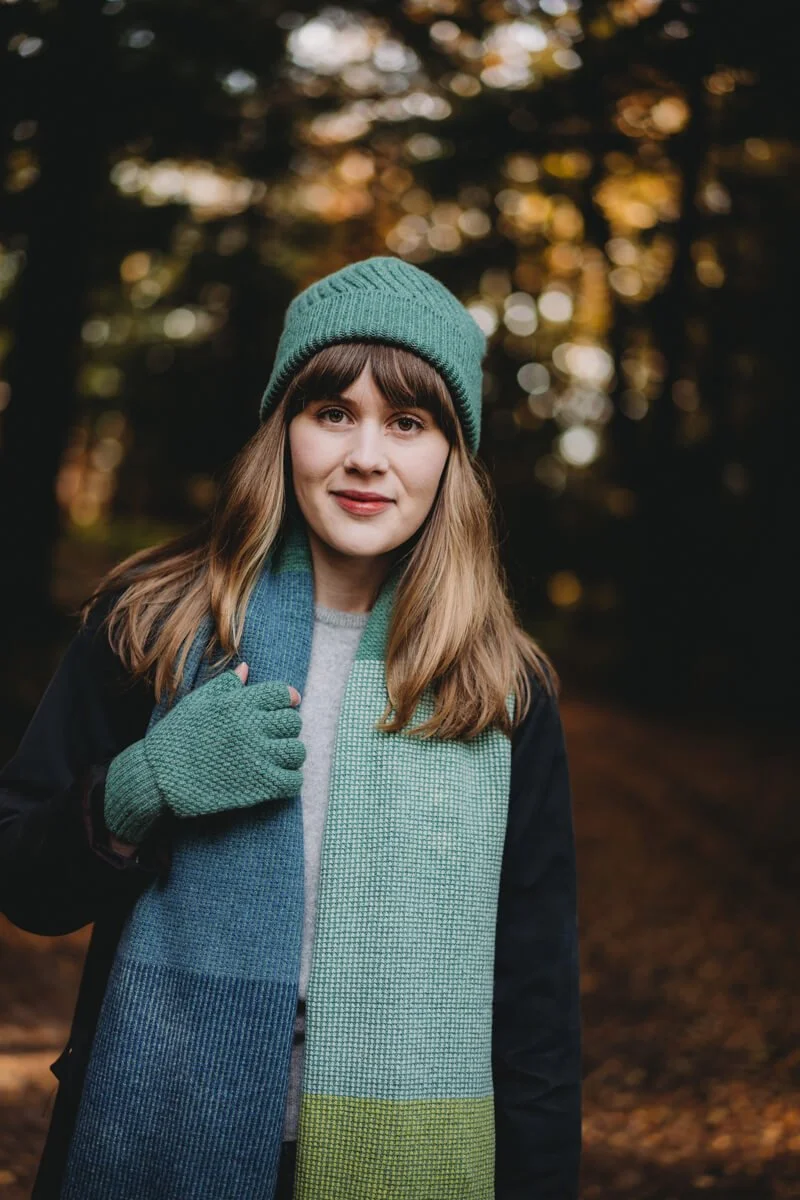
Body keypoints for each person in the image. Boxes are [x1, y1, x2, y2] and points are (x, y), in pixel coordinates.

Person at [0, 255, 582, 1200]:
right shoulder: (155, 627)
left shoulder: (503, 688)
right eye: (332, 413)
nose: (366, 456)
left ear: (451, 455)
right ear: (285, 432)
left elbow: (536, 1001)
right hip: (156, 1137)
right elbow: (23, 879)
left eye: (407, 421)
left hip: (414, 1155)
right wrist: (139, 787)